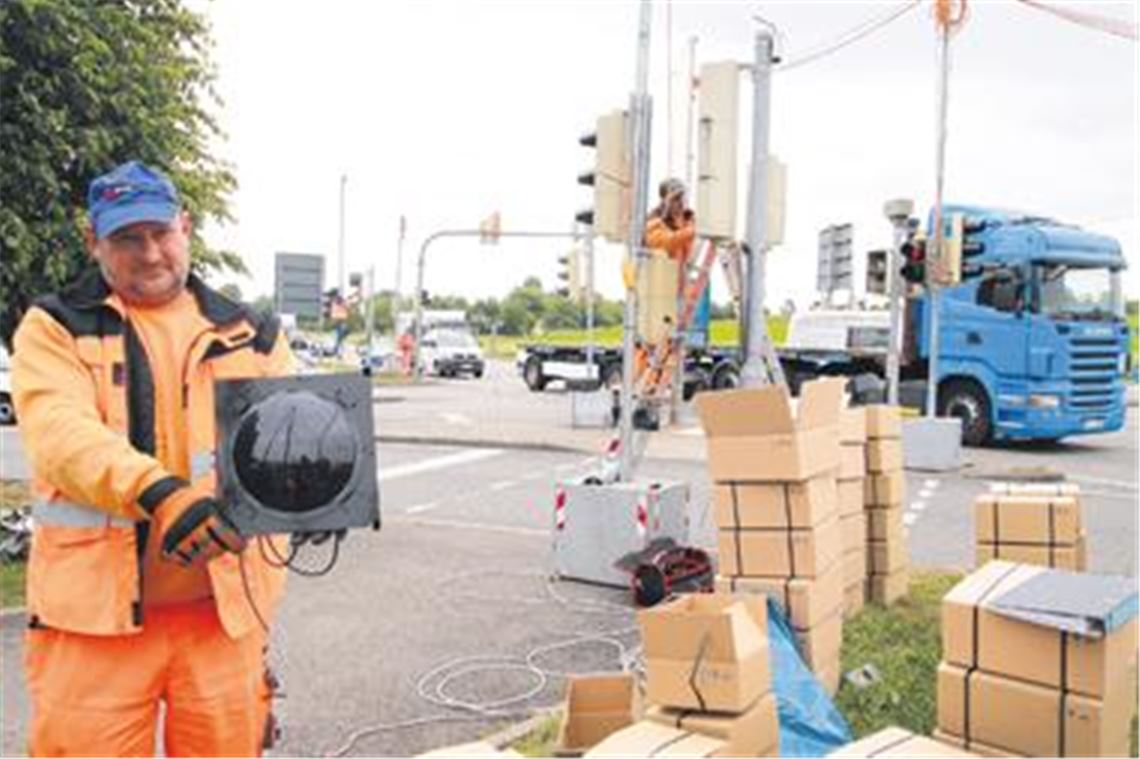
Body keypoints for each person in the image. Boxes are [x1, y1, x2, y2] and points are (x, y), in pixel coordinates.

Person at [12, 160, 294, 757]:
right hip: (96, 628)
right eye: (126, 238)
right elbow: (62, 438)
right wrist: (163, 494)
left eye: (160, 233)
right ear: (94, 241)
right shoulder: (55, 328)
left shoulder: (252, 333)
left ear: (185, 227)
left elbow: (288, 441)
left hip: (222, 619)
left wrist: (311, 497)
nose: (149, 253)